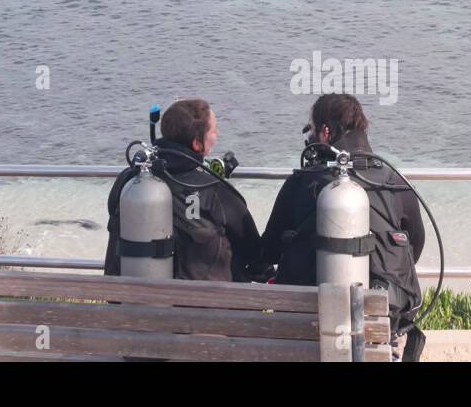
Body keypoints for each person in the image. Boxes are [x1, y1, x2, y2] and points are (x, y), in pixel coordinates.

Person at [260, 93, 427, 360]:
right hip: (381, 320)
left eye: (312, 130)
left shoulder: (301, 182)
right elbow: (415, 246)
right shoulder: (393, 181)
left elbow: (267, 250)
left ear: (325, 132)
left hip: (308, 324)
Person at [104, 99, 262, 282]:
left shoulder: (129, 180)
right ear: (196, 143)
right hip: (201, 305)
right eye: (213, 130)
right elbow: (253, 249)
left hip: (125, 298)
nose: (217, 134)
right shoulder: (213, 188)